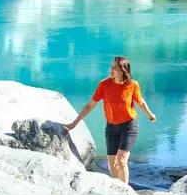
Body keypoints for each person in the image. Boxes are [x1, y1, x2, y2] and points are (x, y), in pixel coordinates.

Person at [65, 56, 156, 184]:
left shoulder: (133, 85)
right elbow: (90, 105)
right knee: (112, 162)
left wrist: (149, 114)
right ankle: (116, 190)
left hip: (129, 126)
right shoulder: (104, 85)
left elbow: (140, 101)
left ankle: (125, 192)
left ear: (123, 71)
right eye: (111, 66)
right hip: (111, 127)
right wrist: (75, 122)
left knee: (121, 159)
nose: (111, 69)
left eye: (115, 67)